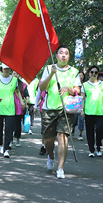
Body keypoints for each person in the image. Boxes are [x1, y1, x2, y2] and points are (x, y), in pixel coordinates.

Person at [39, 45, 82, 179]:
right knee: (48, 140)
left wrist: (69, 89)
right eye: (61, 53)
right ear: (56, 55)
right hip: (49, 108)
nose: (63, 55)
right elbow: (42, 87)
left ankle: (60, 168)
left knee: (62, 137)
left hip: (66, 109)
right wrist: (52, 73)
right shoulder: (48, 69)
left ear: (69, 56)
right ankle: (51, 156)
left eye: (66, 53)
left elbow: (78, 91)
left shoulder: (74, 71)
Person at [0, 63, 24, 158]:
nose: (7, 70)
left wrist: (22, 102)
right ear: (2, 69)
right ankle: (0, 144)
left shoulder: (14, 80)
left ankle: (6, 149)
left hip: (10, 108)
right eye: (5, 69)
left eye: (8, 69)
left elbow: (17, 92)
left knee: (9, 129)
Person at [81, 65, 103, 157]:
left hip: (99, 112)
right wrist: (82, 110)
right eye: (92, 72)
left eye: (96, 72)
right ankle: (91, 150)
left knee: (99, 130)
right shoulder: (85, 85)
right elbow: (82, 99)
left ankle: (98, 147)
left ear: (98, 74)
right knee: (89, 132)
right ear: (89, 73)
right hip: (89, 112)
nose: (94, 74)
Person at [12, 71, 27, 147]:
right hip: (10, 105)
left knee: (18, 123)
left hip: (18, 106)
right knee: (10, 123)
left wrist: (26, 100)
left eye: (17, 74)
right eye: (14, 73)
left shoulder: (23, 84)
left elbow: (26, 94)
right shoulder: (8, 82)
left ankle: (17, 137)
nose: (16, 75)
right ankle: (10, 139)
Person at [72, 71, 85, 141]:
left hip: (82, 104)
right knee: (74, 119)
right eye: (79, 75)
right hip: (75, 103)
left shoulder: (85, 85)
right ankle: (73, 129)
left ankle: (80, 134)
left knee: (81, 119)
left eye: (82, 75)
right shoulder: (74, 84)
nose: (81, 77)